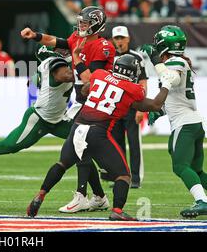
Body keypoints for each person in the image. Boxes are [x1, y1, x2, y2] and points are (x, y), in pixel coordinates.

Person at [26, 54, 176, 221]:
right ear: (132, 72)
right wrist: (166, 86)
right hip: (98, 132)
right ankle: (117, 210)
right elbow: (154, 105)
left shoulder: (99, 74)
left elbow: (84, 90)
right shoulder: (133, 89)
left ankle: (41, 194)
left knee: (62, 164)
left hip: (77, 127)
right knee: (124, 175)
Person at [21, 6, 115, 214]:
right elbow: (56, 42)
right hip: (83, 103)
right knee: (78, 150)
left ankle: (82, 196)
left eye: (86, 23)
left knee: (76, 149)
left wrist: (78, 59)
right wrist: (34, 35)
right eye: (81, 21)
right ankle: (98, 197)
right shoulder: (78, 39)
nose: (81, 25)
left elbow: (91, 81)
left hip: (97, 104)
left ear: (96, 25)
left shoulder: (103, 46)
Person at [0, 45, 74, 185]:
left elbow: (31, 81)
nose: (65, 51)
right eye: (60, 50)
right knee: (9, 146)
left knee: (86, 139)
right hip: (40, 119)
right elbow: (67, 76)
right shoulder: (53, 66)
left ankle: (94, 193)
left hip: (60, 118)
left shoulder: (49, 65)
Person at [142, 25, 207, 218]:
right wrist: (160, 111)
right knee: (196, 170)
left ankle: (202, 201)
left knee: (180, 166)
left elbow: (171, 78)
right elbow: (175, 96)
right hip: (191, 122)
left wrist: (154, 60)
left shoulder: (175, 62)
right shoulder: (178, 61)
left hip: (185, 124)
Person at [110, 25, 147, 189]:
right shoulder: (109, 58)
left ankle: (136, 178)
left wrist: (141, 107)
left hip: (132, 105)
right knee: (117, 144)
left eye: (121, 38)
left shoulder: (137, 57)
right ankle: (121, 176)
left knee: (134, 142)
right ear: (113, 40)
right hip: (115, 106)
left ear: (128, 39)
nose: (119, 41)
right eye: (116, 38)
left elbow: (142, 81)